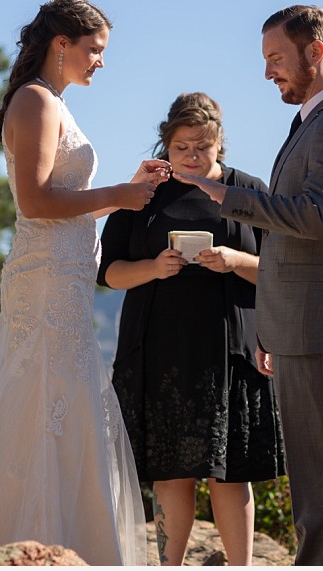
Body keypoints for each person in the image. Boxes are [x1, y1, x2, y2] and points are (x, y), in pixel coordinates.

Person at [0, 0, 168, 565]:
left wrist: (125, 191)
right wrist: (119, 195)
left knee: (60, 405)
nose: (100, 62)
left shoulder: (52, 103)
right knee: (36, 405)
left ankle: (64, 545)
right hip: (43, 286)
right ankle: (17, 546)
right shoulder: (37, 102)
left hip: (61, 281)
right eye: (94, 50)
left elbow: (61, 206)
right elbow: (38, 201)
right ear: (60, 45)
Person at [175, 5, 323, 565]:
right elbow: (290, 240)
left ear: (315, 52)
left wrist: (222, 193)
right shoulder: (312, 121)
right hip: (299, 322)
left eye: (276, 59)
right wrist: (271, 323)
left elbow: (315, 216)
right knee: (313, 476)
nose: (268, 73)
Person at [97, 92, 286, 565]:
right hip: (158, 348)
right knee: (170, 470)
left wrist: (235, 261)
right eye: (182, 148)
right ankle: (170, 566)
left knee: (231, 472)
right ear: (166, 144)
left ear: (221, 141)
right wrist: (153, 268)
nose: (193, 157)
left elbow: (283, 271)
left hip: (232, 348)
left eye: (203, 146)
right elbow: (107, 272)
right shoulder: (142, 194)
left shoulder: (249, 191)